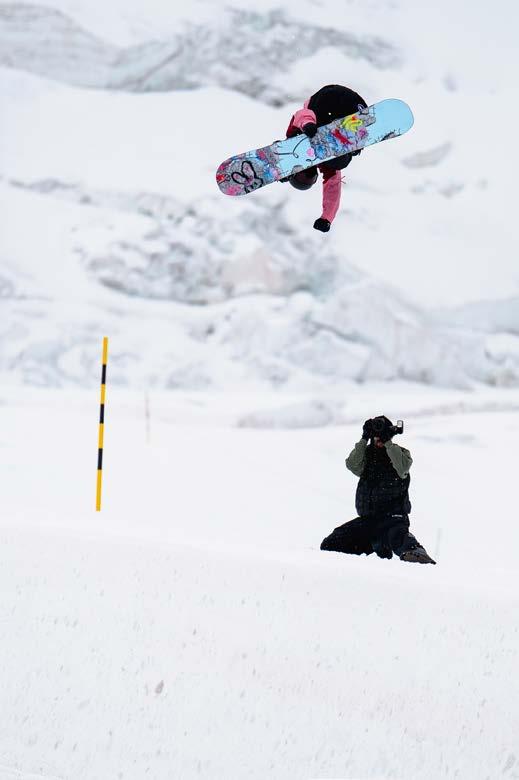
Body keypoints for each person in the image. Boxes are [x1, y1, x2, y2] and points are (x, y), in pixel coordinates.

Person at [320, 416, 436, 564]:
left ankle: (417, 555)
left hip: (393, 518)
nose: (379, 439)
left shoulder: (400, 454)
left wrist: (388, 443)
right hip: (370, 521)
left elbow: (402, 468)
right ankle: (373, 552)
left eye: (383, 435)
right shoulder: (367, 456)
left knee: (399, 539)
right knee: (331, 544)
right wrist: (364, 438)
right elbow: (352, 464)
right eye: (376, 436)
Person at [284, 84, 368, 233]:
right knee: (338, 162)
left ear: (295, 171)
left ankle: (348, 141)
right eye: (310, 178)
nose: (308, 173)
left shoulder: (293, 143)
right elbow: (333, 188)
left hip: (325, 99)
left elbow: (301, 114)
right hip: (354, 105)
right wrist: (326, 218)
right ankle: (352, 139)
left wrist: (307, 124)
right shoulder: (324, 162)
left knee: (315, 127)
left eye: (303, 176)